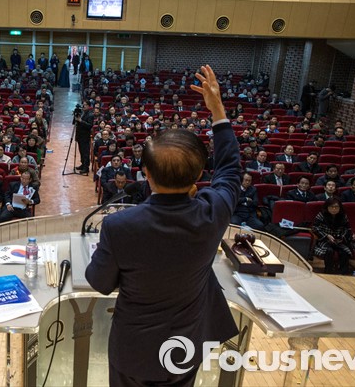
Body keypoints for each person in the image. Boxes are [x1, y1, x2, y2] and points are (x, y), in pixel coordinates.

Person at [86, 64, 241, 385]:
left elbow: (99, 282)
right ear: (199, 176)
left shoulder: (119, 226)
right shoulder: (214, 213)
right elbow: (230, 170)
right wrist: (218, 112)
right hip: (184, 348)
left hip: (134, 350)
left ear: (147, 174)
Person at [312, 198, 355, 274]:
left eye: (336, 207)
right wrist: (326, 235)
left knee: (344, 252)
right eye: (331, 207)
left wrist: (342, 237)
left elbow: (347, 229)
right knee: (329, 251)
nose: (334, 209)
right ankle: (328, 271)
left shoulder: (343, 216)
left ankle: (343, 273)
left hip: (339, 240)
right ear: (327, 207)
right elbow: (315, 228)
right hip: (325, 240)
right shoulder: (321, 215)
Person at [74, 101, 94, 175]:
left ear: (89, 106)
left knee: (85, 152)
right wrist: (75, 117)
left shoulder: (90, 115)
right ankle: (83, 164)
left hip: (85, 136)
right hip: (79, 135)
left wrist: (81, 121)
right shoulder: (82, 113)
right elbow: (75, 123)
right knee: (81, 151)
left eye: (85, 105)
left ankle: (86, 167)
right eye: (83, 105)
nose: (83, 106)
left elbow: (90, 126)